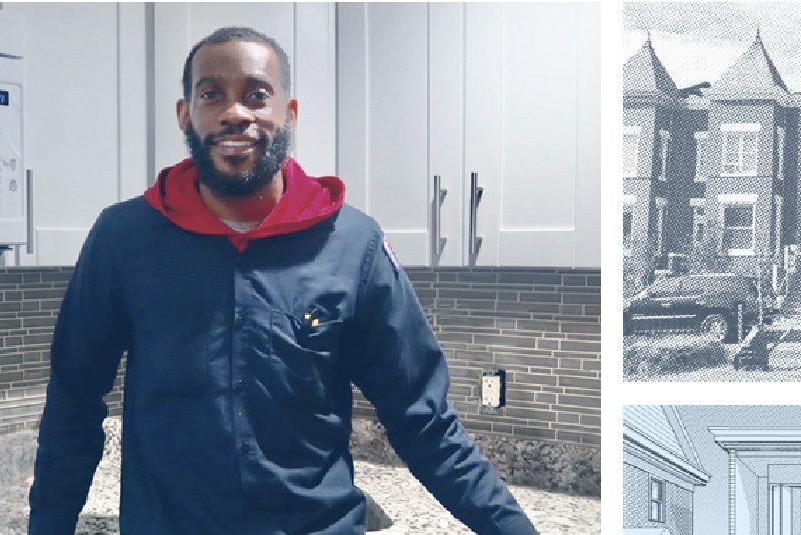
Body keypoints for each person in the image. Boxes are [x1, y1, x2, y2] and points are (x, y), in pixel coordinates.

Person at [28, 27, 539, 535]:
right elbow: (72, 406)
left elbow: (422, 420)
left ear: (288, 115)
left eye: (256, 95)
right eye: (212, 94)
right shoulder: (124, 239)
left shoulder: (351, 244)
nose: (236, 112)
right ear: (186, 114)